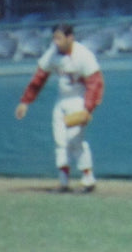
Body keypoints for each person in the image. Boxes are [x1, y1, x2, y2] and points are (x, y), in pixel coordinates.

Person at [13, 23, 104, 192]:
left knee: (75, 140)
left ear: (70, 38)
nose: (56, 42)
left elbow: (95, 83)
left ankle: (88, 179)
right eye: (54, 38)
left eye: (59, 38)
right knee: (60, 141)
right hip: (62, 100)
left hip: (78, 100)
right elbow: (39, 78)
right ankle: (63, 181)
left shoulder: (83, 55)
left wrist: (88, 108)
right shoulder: (53, 53)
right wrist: (25, 101)